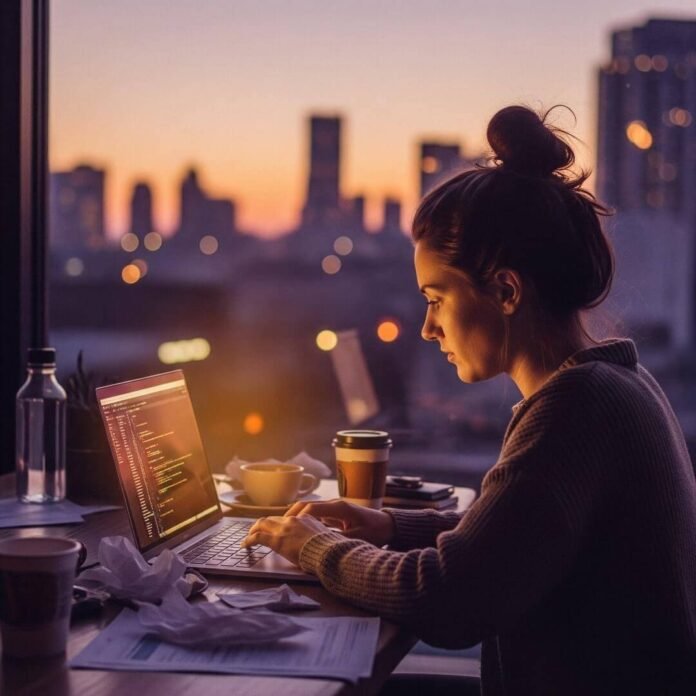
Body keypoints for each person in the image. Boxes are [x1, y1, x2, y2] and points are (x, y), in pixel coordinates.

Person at [243, 105, 696, 694]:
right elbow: (518, 537)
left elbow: (449, 599)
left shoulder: (575, 409)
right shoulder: (618, 382)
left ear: (506, 290)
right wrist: (387, 525)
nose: (428, 328)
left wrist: (316, 548)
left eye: (436, 298)